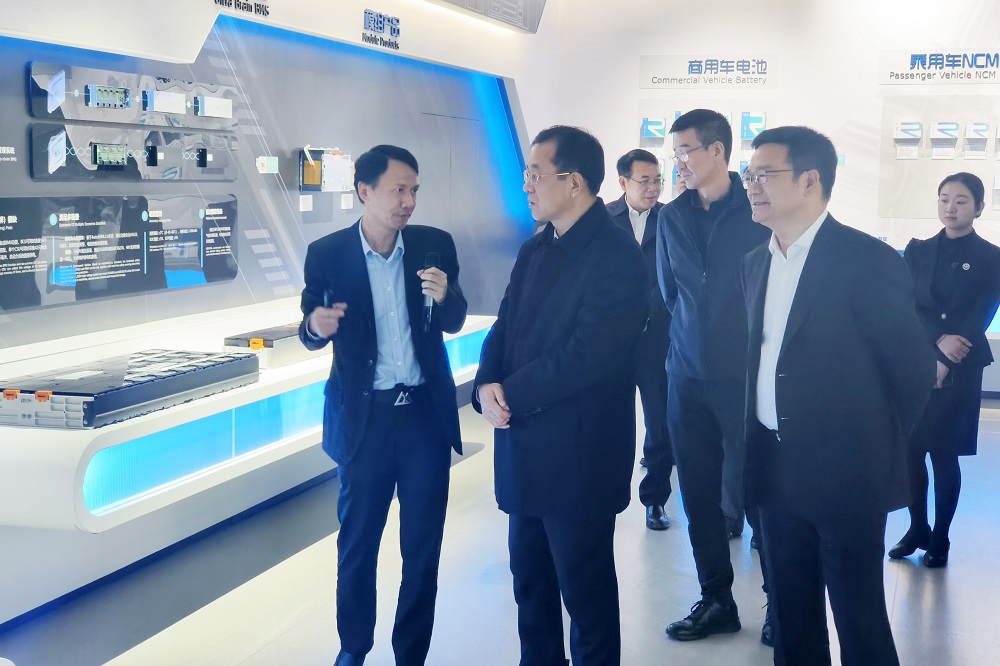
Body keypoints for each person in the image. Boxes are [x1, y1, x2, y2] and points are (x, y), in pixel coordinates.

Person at [741, 126, 934, 665]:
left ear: (810, 181)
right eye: (748, 175)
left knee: (859, 619)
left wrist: (871, 448)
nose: (751, 185)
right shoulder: (755, 262)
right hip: (774, 467)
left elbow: (913, 372)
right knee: (790, 618)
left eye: (764, 174)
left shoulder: (866, 260)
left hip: (847, 473)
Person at [473, 125, 647, 665]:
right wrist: (485, 382)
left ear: (573, 182)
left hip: (579, 457)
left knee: (585, 595)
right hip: (524, 447)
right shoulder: (536, 248)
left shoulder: (617, 254)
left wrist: (510, 393)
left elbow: (589, 354)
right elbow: (505, 324)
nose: (526, 185)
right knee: (531, 586)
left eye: (535, 174)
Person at [298, 145, 468, 666]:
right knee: (357, 544)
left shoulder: (434, 245)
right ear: (364, 191)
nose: (408, 201)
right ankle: (354, 647)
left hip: (423, 419)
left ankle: (410, 653)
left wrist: (447, 298)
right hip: (364, 421)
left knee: (422, 547)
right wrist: (314, 327)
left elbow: (455, 319)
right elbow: (309, 325)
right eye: (398, 190)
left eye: (414, 190)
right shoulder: (328, 254)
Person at [656, 109, 771, 642]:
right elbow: (669, 291)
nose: (677, 162)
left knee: (759, 491)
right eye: (675, 152)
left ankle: (779, 603)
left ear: (718, 151)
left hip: (745, 375)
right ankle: (716, 600)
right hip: (685, 375)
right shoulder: (671, 215)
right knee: (698, 495)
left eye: (685, 151)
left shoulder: (756, 210)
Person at [888, 172, 1000, 568]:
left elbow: (982, 312)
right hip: (919, 357)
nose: (950, 208)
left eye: (961, 201)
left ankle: (941, 536)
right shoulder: (917, 250)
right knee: (910, 450)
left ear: (979, 208)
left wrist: (948, 357)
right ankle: (917, 527)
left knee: (944, 453)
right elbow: (906, 302)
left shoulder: (992, 257)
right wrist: (936, 344)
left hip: (963, 365)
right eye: (944, 199)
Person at [606, 148, 673, 531]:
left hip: (657, 341)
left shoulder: (671, 220)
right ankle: (604, 496)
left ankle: (655, 500)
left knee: (660, 423)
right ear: (623, 182)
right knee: (608, 423)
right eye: (644, 180)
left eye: (657, 180)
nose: (652, 188)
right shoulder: (602, 219)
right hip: (612, 343)